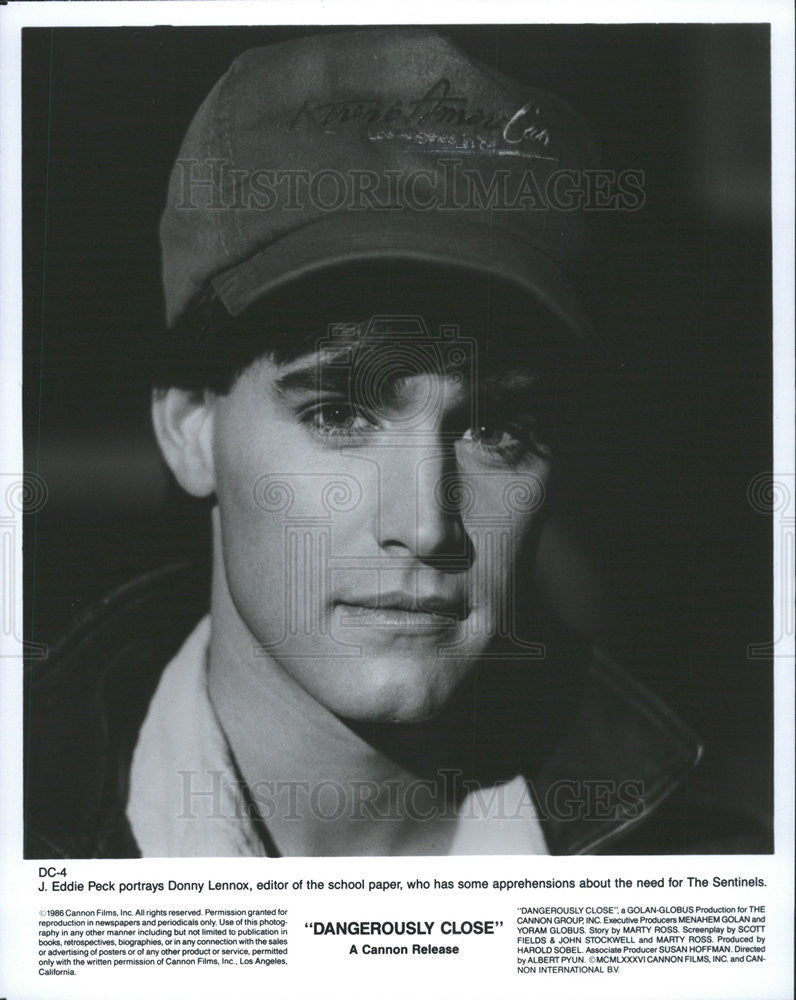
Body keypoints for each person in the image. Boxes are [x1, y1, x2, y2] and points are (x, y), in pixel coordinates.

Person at [26, 27, 755, 858]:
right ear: (190, 426)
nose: (427, 527)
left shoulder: (704, 872)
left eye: (494, 429)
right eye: (340, 414)